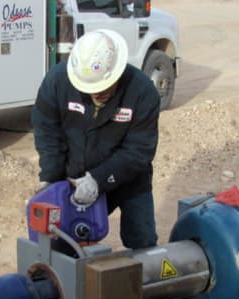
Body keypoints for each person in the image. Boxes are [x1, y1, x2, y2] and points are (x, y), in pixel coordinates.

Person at [32, 29, 161, 250]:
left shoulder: (142, 92)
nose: (97, 94)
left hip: (128, 178)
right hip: (73, 180)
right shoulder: (57, 82)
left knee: (143, 242)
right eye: (90, 89)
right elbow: (47, 133)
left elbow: (138, 151)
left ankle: (140, 280)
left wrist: (98, 180)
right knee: (62, 245)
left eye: (103, 88)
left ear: (116, 71)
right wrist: (51, 180)